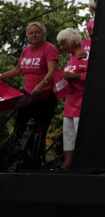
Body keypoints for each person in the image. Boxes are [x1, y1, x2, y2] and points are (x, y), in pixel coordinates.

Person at [0, 22, 59, 169]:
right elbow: (19, 69)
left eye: (37, 32)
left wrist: (40, 85)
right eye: (31, 33)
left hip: (45, 97)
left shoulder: (49, 48)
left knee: (39, 130)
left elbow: (52, 72)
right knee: (19, 127)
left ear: (43, 34)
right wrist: (1, 75)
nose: (34, 35)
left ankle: (35, 163)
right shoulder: (26, 50)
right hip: (28, 95)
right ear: (27, 35)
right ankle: (16, 160)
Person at [56, 28, 88, 169]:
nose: (61, 47)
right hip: (69, 103)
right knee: (68, 136)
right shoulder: (71, 58)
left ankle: (83, 163)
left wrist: (74, 76)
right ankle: (68, 162)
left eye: (63, 43)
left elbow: (93, 76)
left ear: (73, 41)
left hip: (82, 103)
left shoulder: (86, 55)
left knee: (80, 136)